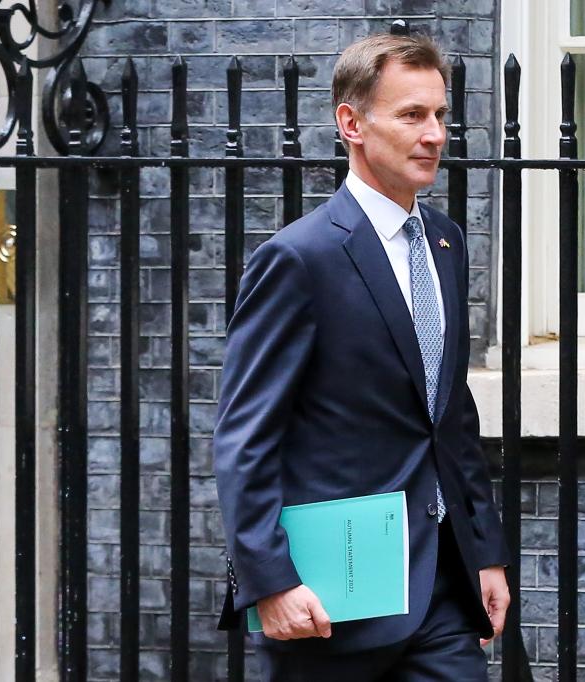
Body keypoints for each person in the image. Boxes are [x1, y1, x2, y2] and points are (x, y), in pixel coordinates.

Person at [213, 32, 510, 681]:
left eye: (440, 114)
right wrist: (270, 580)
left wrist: (485, 550)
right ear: (351, 123)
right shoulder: (300, 258)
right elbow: (245, 436)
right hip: (330, 598)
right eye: (412, 115)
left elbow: (449, 414)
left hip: (439, 588)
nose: (434, 134)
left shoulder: (444, 241)